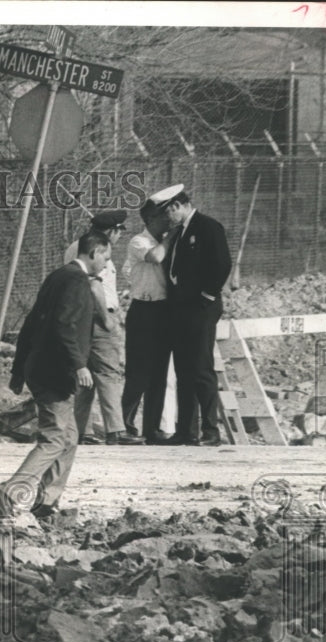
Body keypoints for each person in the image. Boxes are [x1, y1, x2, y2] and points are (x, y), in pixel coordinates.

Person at [0, 231, 105, 520]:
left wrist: (18, 369)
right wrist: (79, 365)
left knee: (70, 436)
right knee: (55, 437)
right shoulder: (77, 281)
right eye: (106, 257)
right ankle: (11, 490)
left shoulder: (56, 276)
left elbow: (31, 323)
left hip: (40, 368)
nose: (105, 264)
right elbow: (64, 326)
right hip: (55, 371)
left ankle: (46, 502)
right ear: (95, 252)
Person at [157, 184, 232, 446]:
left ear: (177, 206)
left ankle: (211, 431)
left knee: (201, 368)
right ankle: (186, 430)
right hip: (181, 310)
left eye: (168, 213)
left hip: (200, 308)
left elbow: (221, 264)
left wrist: (207, 296)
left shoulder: (208, 227)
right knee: (184, 369)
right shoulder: (180, 233)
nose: (168, 219)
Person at [64, 211, 142, 445]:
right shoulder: (100, 250)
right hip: (99, 315)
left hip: (80, 317)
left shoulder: (75, 247)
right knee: (108, 372)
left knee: (85, 376)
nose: (118, 238)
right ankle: (116, 430)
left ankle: (82, 430)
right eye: (119, 232)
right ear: (112, 231)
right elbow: (94, 285)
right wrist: (107, 320)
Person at [120, 198, 175, 443]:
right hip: (143, 309)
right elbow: (155, 257)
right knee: (137, 373)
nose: (168, 221)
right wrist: (171, 237)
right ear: (152, 219)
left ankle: (152, 428)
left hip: (164, 310)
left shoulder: (166, 242)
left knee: (159, 374)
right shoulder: (139, 241)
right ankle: (125, 426)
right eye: (163, 217)